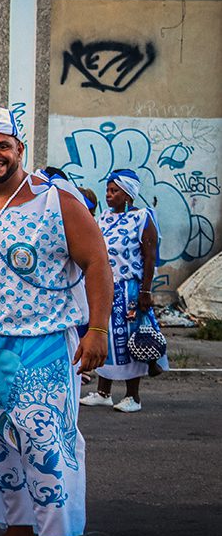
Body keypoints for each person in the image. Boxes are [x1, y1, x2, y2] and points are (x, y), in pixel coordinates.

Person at [0, 106, 112, 536]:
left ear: (20, 149)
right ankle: (18, 532)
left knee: (44, 442)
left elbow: (97, 262)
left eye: (3, 145)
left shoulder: (55, 200)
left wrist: (97, 330)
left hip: (40, 342)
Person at [82, 168, 166, 413]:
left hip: (129, 289)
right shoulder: (103, 218)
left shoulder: (142, 218)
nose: (108, 195)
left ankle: (133, 396)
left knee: (131, 341)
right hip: (105, 287)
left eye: (114, 191)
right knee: (105, 337)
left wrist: (146, 291)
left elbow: (150, 257)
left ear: (128, 193)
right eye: (108, 190)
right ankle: (103, 392)